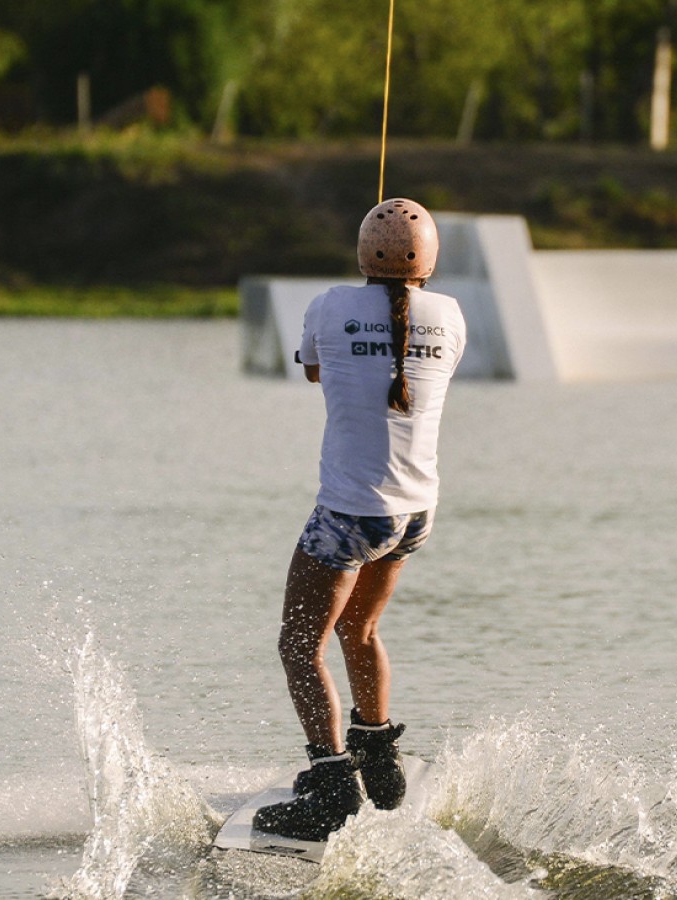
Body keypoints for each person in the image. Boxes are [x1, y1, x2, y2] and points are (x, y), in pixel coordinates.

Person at [253, 198, 467, 842]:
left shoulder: (329, 305)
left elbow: (317, 372)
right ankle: (378, 760)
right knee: (360, 628)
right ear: (427, 260)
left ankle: (331, 787)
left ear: (363, 253)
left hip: (353, 512)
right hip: (414, 512)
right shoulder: (450, 314)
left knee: (299, 646)